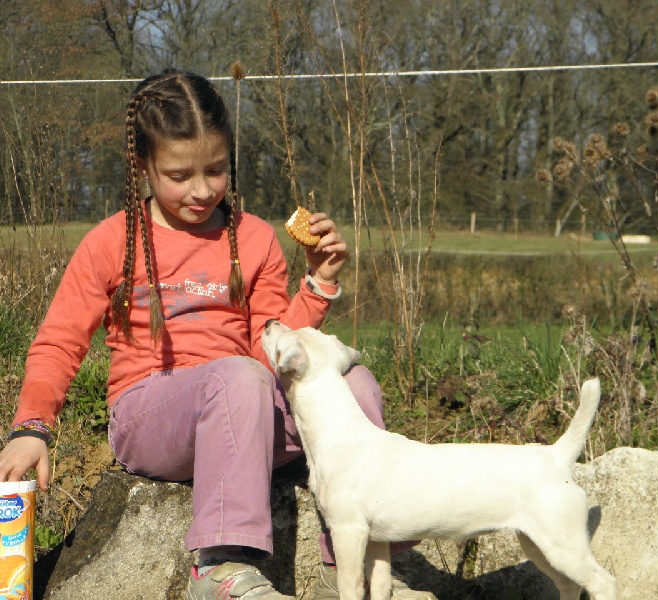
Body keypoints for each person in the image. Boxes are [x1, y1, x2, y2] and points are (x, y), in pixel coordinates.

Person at [0, 69, 435, 600]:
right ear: (144, 166)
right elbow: (60, 341)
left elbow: (272, 350)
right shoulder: (111, 241)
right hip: (152, 418)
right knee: (237, 378)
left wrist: (319, 283)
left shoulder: (252, 238)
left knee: (356, 381)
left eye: (215, 170)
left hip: (243, 407)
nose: (202, 190)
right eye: (180, 175)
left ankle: (356, 566)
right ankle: (222, 567)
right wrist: (31, 426)